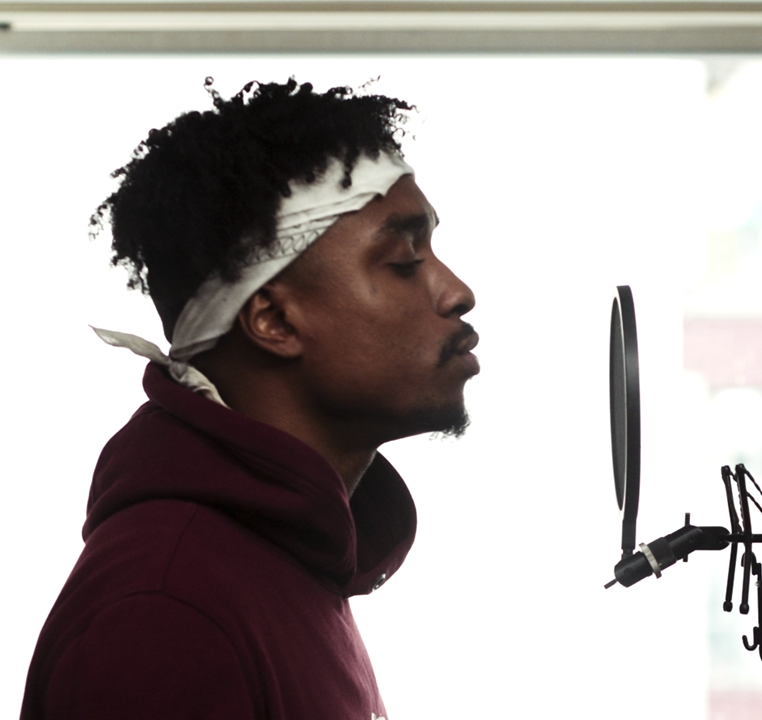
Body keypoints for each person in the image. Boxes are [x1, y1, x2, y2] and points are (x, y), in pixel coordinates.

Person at [21, 79, 477, 718]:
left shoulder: (283, 569)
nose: (457, 292)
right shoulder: (164, 613)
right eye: (404, 261)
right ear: (274, 321)